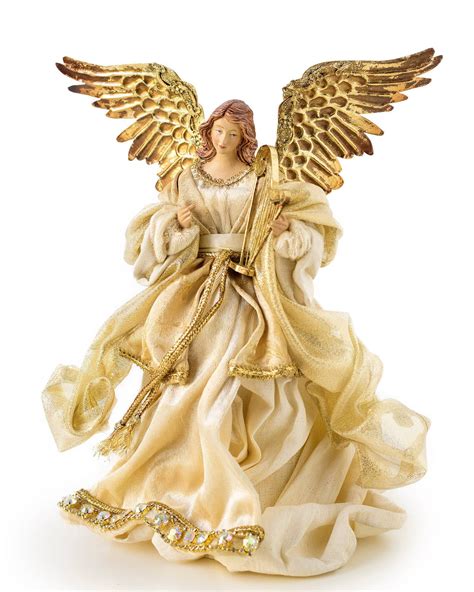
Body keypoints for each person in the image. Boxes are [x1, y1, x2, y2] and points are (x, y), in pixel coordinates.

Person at [43, 99, 430, 577]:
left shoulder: (264, 178)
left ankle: (255, 480)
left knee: (252, 379)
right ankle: (177, 475)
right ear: (208, 132)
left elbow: (310, 235)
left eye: (233, 134)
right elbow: (155, 227)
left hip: (249, 291)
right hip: (195, 289)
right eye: (218, 132)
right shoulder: (187, 176)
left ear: (245, 137)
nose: (224, 140)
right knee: (185, 377)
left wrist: (287, 232)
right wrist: (177, 226)